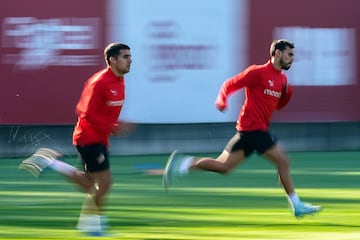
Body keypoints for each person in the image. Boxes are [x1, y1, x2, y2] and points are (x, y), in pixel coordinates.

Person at [163, 39, 322, 218]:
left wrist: (286, 95)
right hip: (253, 128)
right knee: (283, 162)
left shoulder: (282, 80)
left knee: (224, 167)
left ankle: (182, 163)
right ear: (277, 53)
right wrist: (221, 100)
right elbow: (230, 84)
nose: (292, 59)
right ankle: (297, 205)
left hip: (249, 130)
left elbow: (277, 106)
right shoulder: (258, 72)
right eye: (289, 54)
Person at [19, 42, 133, 235]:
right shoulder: (100, 82)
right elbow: (84, 112)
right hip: (88, 138)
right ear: (112, 60)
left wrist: (112, 126)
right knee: (104, 183)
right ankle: (94, 227)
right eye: (126, 57)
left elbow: (103, 112)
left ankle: (51, 162)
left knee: (90, 184)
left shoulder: (119, 80)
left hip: (100, 137)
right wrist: (112, 127)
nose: (130, 60)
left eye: (130, 56)